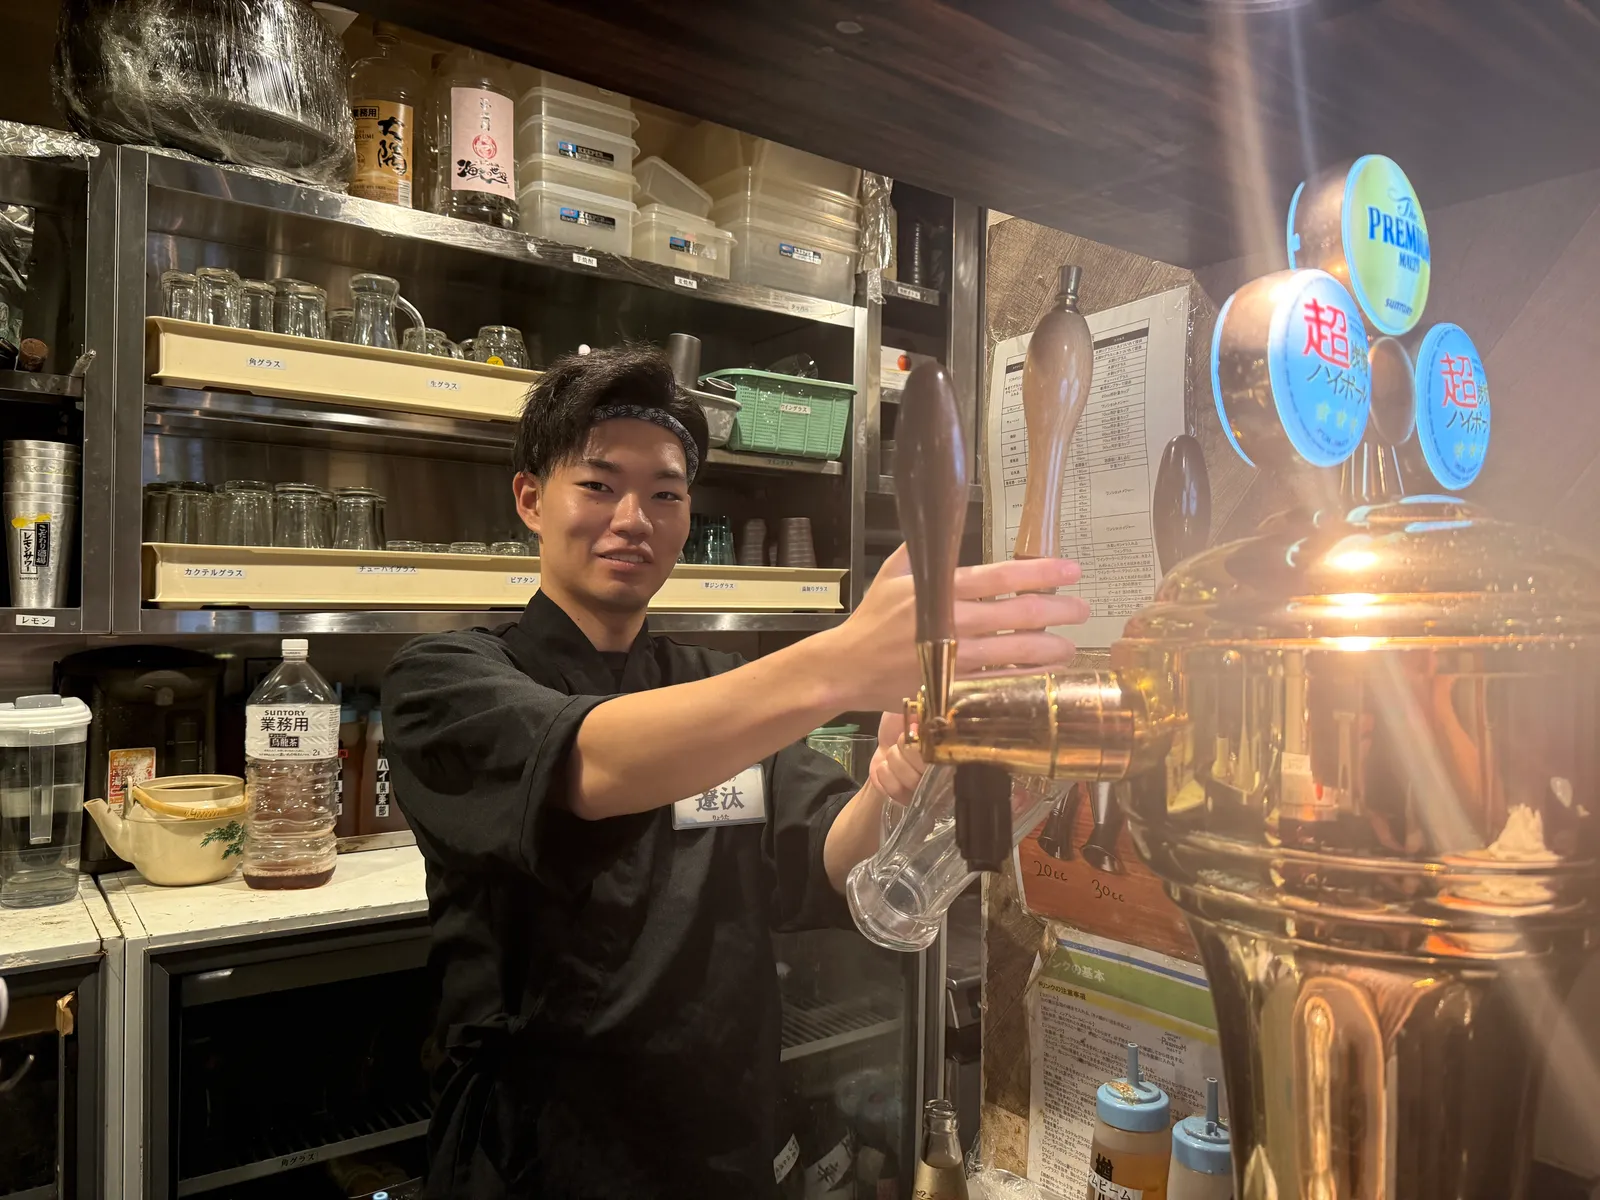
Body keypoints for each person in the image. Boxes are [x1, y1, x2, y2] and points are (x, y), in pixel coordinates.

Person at [382, 344, 1088, 1198]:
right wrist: (839, 663)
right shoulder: (443, 682)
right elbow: (589, 762)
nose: (635, 517)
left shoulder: (715, 683)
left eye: (667, 494)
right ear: (532, 499)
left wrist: (891, 782)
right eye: (600, 485)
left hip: (721, 1141)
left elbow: (830, 856)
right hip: (540, 1155)